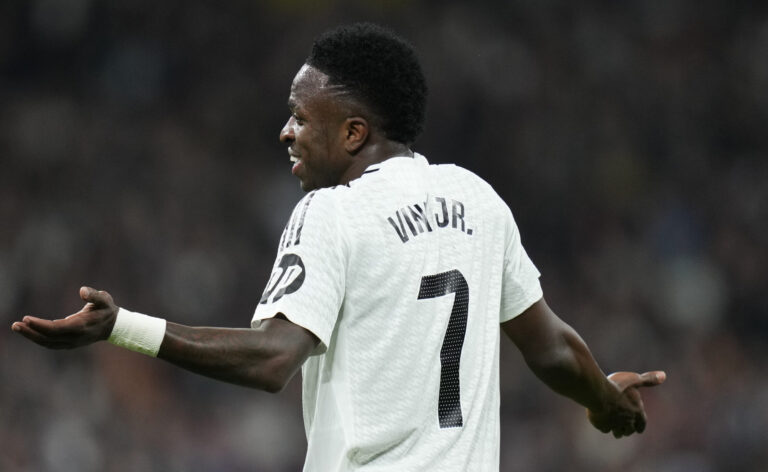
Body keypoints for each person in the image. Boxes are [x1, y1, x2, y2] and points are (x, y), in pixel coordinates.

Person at [12, 23, 665, 471]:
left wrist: (121, 327)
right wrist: (606, 401)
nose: (286, 132)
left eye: (301, 117)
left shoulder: (332, 211)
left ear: (355, 132)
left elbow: (271, 359)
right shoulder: (477, 200)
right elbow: (549, 345)